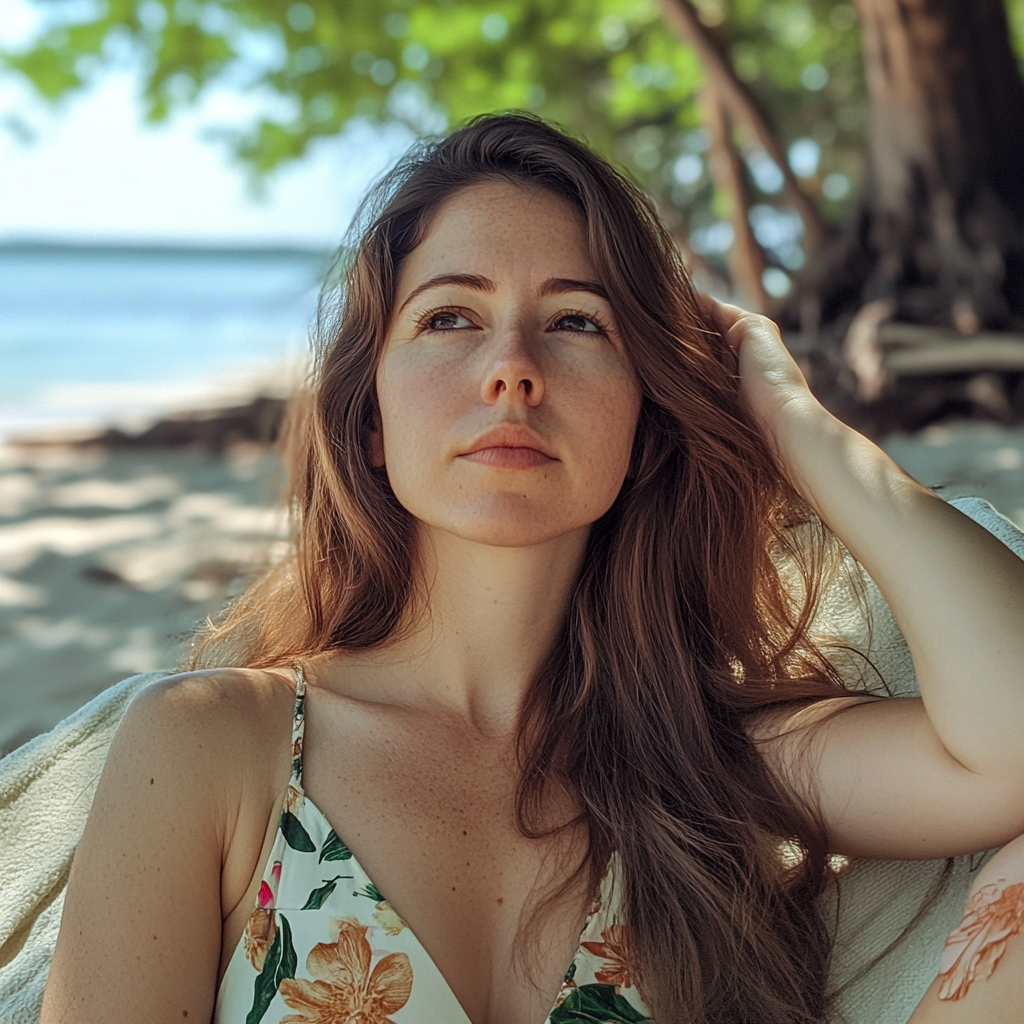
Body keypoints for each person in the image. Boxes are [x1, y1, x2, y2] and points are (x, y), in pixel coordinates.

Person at [39, 113, 1024, 1024]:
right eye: (450, 319)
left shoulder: (713, 761)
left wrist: (797, 427)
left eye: (576, 322)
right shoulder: (210, 746)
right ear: (372, 420)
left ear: (642, 430)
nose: (511, 366)